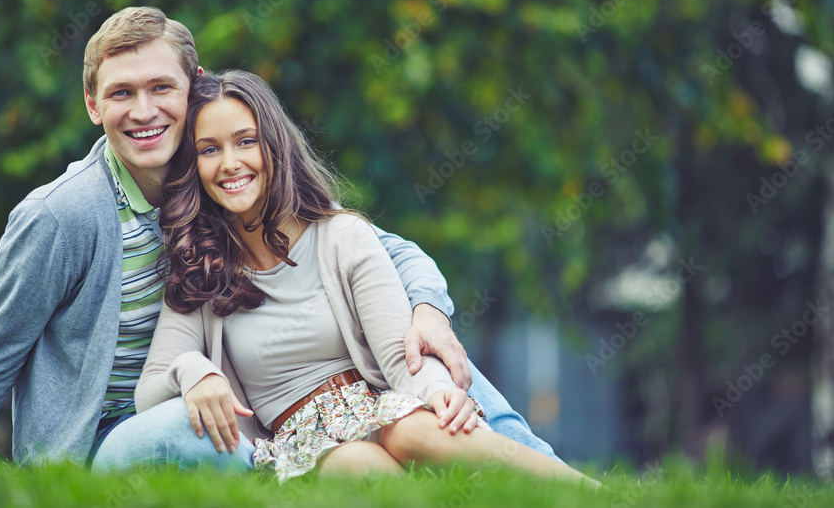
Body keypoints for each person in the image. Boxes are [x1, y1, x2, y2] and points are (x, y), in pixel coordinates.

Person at [0, 6, 557, 472]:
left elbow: (373, 244)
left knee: (429, 353)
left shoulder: (229, 179)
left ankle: (562, 479)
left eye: (161, 87)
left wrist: (425, 306)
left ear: (193, 89)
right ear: (91, 104)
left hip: (250, 407)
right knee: (198, 427)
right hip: (112, 432)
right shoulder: (64, 215)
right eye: (121, 94)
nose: (143, 111)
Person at [135, 70, 596, 485]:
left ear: (274, 145)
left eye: (246, 141)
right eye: (209, 150)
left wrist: (438, 392)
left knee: (415, 428)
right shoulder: (201, 268)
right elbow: (150, 390)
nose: (230, 163)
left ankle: (589, 494)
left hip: (379, 408)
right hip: (301, 445)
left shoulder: (343, 236)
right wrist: (194, 372)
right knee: (354, 463)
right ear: (193, 166)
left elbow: (400, 355)